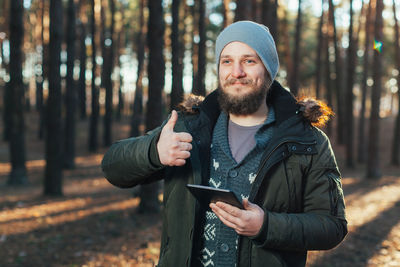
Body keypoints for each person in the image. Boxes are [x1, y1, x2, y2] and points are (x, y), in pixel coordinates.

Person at [102, 20, 347, 267]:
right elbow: (113, 167)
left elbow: (332, 225)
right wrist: (153, 151)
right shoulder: (189, 126)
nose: (236, 72)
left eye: (249, 61)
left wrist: (266, 225)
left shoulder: (305, 141)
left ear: (268, 70)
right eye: (227, 61)